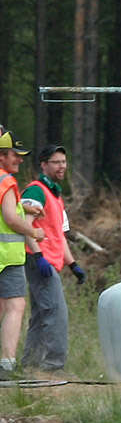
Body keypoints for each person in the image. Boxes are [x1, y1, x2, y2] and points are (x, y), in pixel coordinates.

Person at [20, 145, 86, 376]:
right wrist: (38, 256)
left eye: (64, 162)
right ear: (44, 165)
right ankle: (54, 365)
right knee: (56, 313)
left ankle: (30, 365)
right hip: (39, 260)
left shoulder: (55, 195)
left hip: (48, 261)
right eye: (56, 162)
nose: (62, 166)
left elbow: (59, 235)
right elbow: (25, 227)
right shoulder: (36, 191)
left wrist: (73, 264)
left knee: (41, 315)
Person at [0, 128, 45, 379]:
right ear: (1, 156)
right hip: (6, 257)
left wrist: (24, 208)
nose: (20, 159)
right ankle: (7, 366)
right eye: (15, 155)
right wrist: (34, 232)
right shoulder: (6, 181)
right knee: (16, 306)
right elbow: (9, 218)